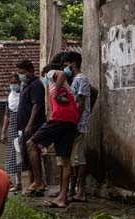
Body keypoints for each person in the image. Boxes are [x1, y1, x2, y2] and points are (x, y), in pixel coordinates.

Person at [25, 65, 79, 208]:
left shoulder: (50, 74)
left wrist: (55, 94)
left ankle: (38, 181)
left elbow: (61, 74)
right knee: (66, 159)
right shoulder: (67, 88)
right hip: (72, 120)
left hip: (59, 119)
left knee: (30, 144)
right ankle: (62, 198)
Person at [63, 51, 92, 202]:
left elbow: (80, 103)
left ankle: (81, 190)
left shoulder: (81, 79)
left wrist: (75, 121)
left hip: (79, 123)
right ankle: (75, 190)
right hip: (75, 122)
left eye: (66, 65)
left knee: (78, 157)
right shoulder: (75, 79)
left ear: (73, 63)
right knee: (74, 158)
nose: (65, 68)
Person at [16, 59, 46, 195]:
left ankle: (39, 181)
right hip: (24, 127)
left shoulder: (36, 85)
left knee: (32, 149)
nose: (21, 75)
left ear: (30, 70)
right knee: (27, 157)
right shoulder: (26, 85)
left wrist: (29, 124)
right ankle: (33, 184)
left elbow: (36, 106)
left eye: (22, 72)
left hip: (33, 126)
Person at [0, 74, 24, 192]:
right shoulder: (9, 98)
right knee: (14, 156)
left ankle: (34, 182)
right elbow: (7, 115)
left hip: (24, 128)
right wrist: (3, 132)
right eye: (12, 83)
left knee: (25, 155)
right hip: (12, 129)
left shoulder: (24, 95)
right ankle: (18, 182)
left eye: (16, 82)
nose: (14, 85)